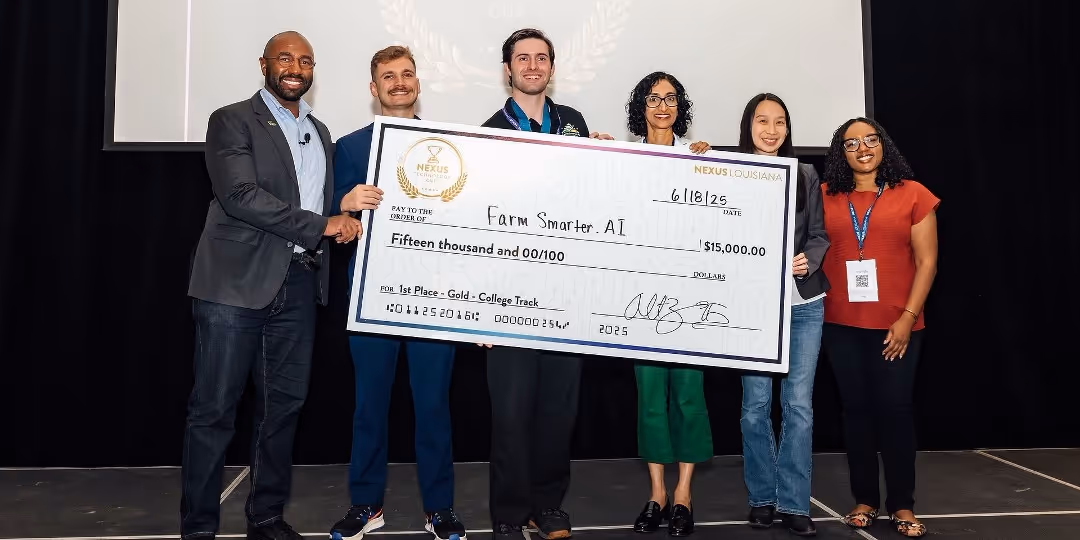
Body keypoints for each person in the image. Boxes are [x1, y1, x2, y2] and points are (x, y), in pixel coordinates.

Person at [181, 31, 361, 540]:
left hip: (299, 284)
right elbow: (240, 195)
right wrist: (321, 225)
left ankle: (266, 517)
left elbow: (309, 198)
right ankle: (198, 528)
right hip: (233, 288)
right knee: (214, 410)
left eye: (305, 60)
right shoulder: (231, 119)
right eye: (285, 57)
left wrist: (340, 212)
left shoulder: (321, 130)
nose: (295, 67)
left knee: (283, 409)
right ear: (264, 63)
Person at [327, 46, 467, 540]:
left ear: (418, 83)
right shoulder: (348, 147)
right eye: (389, 76)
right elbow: (332, 216)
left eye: (407, 74)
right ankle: (366, 504)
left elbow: (468, 217)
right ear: (374, 88)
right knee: (369, 405)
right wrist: (344, 201)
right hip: (371, 294)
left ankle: (440, 508)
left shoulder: (449, 146)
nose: (400, 83)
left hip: (434, 295)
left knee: (432, 406)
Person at [478, 27, 600, 540]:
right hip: (508, 293)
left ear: (552, 67)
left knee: (557, 410)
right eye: (522, 59)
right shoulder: (486, 129)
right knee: (509, 413)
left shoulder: (573, 123)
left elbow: (593, 196)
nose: (532, 66)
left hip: (565, 293)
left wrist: (611, 164)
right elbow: (476, 221)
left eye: (541, 58)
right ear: (507, 69)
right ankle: (507, 513)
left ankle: (548, 505)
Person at [819, 118, 938, 538]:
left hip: (898, 326)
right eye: (852, 143)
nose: (863, 148)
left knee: (896, 411)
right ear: (841, 153)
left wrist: (907, 318)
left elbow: (927, 263)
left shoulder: (914, 194)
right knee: (856, 413)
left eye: (871, 140)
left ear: (883, 144)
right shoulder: (825, 195)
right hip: (840, 325)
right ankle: (864, 500)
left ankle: (902, 505)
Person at [735, 94, 829, 537]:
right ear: (747, 126)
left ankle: (794, 503)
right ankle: (762, 498)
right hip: (753, 307)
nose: (771, 130)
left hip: (804, 306)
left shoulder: (806, 174)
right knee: (754, 408)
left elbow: (819, 236)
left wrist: (809, 260)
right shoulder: (729, 172)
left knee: (799, 407)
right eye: (762, 121)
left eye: (780, 123)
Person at [623, 71, 711, 538]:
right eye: (654, 99)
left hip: (691, 299)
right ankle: (657, 492)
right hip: (640, 299)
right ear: (642, 106)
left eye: (670, 99)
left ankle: (684, 494)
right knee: (651, 399)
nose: (662, 106)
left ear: (680, 107)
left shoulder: (701, 159)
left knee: (689, 397)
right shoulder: (624, 157)